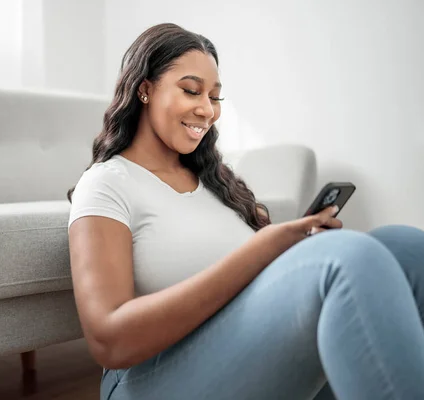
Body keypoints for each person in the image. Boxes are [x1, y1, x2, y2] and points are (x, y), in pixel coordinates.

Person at [66, 23, 424, 400]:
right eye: (191, 91)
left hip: (239, 358)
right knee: (347, 260)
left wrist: (287, 251)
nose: (207, 110)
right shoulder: (107, 184)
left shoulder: (217, 184)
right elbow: (109, 340)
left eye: (215, 97)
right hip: (148, 380)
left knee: (404, 246)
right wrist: (261, 250)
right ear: (145, 89)